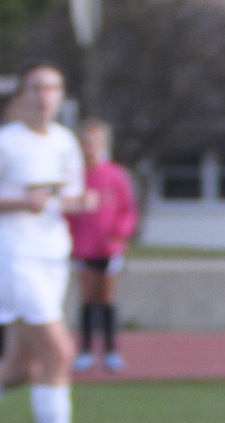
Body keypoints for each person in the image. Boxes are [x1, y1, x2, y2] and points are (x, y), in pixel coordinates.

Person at [0, 63, 93, 423]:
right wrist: (22, 202)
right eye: (36, 88)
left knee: (21, 368)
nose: (44, 96)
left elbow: (68, 194)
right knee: (59, 351)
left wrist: (80, 203)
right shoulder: (7, 142)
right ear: (22, 96)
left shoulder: (64, 142)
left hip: (53, 255)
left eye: (52, 87)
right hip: (15, 255)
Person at [65, 119, 135, 375]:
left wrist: (120, 236)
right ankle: (84, 351)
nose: (90, 147)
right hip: (83, 248)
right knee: (87, 298)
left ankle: (111, 351)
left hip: (109, 249)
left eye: (95, 142)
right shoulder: (75, 177)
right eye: (86, 142)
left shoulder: (116, 176)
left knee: (106, 298)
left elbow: (128, 211)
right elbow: (67, 211)